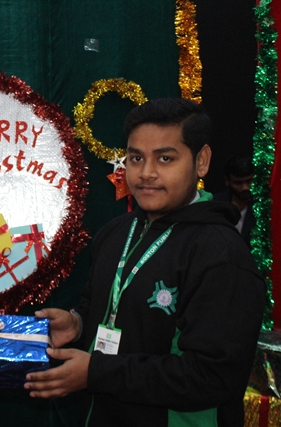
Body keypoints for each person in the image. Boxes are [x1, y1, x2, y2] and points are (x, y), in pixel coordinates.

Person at [24, 98, 265, 426]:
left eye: (165, 158)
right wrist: (78, 324)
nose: (146, 173)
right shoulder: (116, 232)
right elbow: (101, 305)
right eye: (136, 158)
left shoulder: (222, 255)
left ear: (202, 161)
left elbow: (212, 377)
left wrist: (98, 372)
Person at [213, 155, 255, 246]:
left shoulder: (262, 206)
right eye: (238, 183)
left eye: (249, 181)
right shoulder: (216, 204)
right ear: (227, 181)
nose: (245, 187)